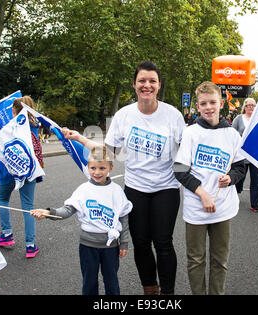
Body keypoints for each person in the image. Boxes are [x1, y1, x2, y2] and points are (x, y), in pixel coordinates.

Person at [62, 61, 185, 295]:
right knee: (140, 242)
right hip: (135, 188)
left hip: (165, 188)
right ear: (134, 84)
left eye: (152, 81)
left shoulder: (173, 115)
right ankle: (150, 288)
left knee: (163, 243)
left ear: (159, 85)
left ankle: (168, 293)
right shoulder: (123, 115)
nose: (146, 85)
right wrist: (80, 138)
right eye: (142, 81)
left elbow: (187, 152)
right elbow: (109, 152)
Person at [173, 81, 245, 295]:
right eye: (203, 103)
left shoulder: (232, 135)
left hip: (223, 207)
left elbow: (240, 167)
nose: (208, 107)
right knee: (196, 260)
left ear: (221, 103)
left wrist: (230, 178)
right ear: (197, 106)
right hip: (197, 208)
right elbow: (179, 170)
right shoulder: (191, 133)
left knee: (219, 260)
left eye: (212, 102)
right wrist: (202, 193)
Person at [31, 145, 133, 295]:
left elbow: (123, 217)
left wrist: (124, 242)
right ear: (88, 167)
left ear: (110, 167)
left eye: (102, 168)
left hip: (111, 246)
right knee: (89, 282)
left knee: (112, 281)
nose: (97, 172)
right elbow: (67, 210)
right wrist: (48, 212)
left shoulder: (116, 191)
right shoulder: (83, 190)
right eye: (93, 168)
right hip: (87, 246)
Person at [0, 96, 43, 258]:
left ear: (14, 110)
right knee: (28, 206)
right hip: (28, 169)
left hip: (10, 170)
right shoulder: (34, 125)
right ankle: (30, 245)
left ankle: (7, 234)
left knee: (3, 199)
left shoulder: (10, 126)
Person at [232, 98, 258, 212]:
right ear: (244, 107)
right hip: (241, 156)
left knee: (256, 181)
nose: (251, 107)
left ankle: (254, 204)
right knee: (239, 179)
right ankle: (233, 199)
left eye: (253, 105)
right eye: (248, 105)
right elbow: (232, 134)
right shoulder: (238, 119)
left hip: (255, 156)